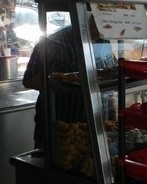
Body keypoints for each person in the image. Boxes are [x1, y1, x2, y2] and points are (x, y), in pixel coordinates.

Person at [23, 15, 116, 149]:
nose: (102, 35)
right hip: (60, 129)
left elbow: (107, 78)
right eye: (101, 27)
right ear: (88, 20)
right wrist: (58, 79)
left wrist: (111, 115)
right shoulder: (54, 43)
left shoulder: (103, 41)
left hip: (95, 124)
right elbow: (29, 81)